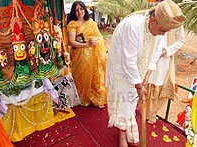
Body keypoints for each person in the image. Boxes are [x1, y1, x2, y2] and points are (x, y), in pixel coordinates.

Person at [105, 0, 185, 146]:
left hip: (139, 68)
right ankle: (122, 134)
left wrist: (146, 77)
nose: (162, 34)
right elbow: (128, 61)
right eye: (162, 30)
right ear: (153, 20)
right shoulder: (133, 25)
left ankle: (127, 129)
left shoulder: (159, 30)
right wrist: (139, 86)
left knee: (131, 100)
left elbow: (154, 54)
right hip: (121, 67)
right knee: (123, 99)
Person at [146, 0, 185, 124]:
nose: (157, 3)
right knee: (146, 82)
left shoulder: (175, 19)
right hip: (147, 56)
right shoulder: (149, 15)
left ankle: (152, 113)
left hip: (164, 59)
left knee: (157, 85)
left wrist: (167, 50)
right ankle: (144, 110)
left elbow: (180, 40)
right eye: (156, 1)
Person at [67, 1, 107, 109]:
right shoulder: (72, 24)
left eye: (81, 9)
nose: (79, 12)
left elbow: (99, 37)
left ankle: (97, 98)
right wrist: (87, 44)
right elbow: (71, 42)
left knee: (95, 75)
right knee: (81, 76)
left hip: (93, 55)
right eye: (77, 10)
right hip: (79, 55)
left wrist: (95, 41)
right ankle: (83, 97)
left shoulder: (91, 23)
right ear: (73, 12)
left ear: (85, 10)